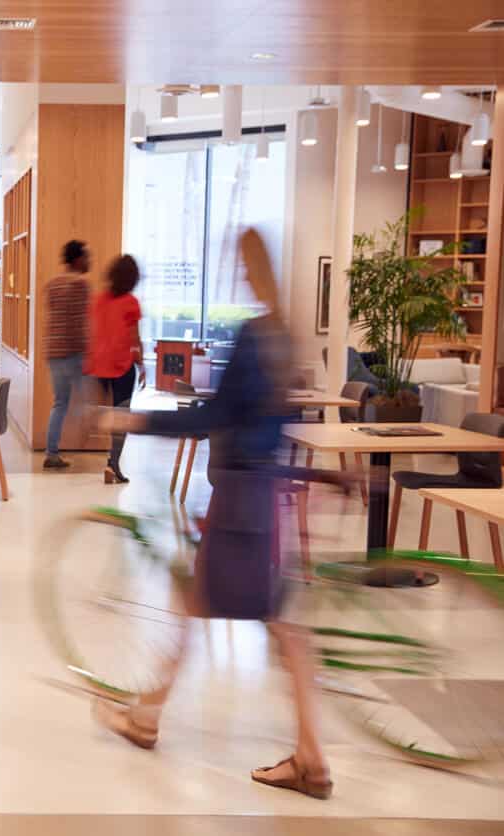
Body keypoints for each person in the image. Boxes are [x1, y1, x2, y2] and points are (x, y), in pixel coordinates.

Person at [90, 228, 332, 800]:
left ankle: (307, 758)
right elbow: (261, 420)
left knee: (256, 621)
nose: (237, 274)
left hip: (240, 499)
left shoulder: (254, 335)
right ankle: (153, 719)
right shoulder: (285, 337)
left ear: (250, 269)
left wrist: (135, 420)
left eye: (239, 265)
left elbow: (217, 416)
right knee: (237, 613)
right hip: (259, 494)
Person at [89, 255, 146, 484]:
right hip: (122, 367)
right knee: (121, 417)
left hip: (98, 366)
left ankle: (110, 463)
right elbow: (134, 337)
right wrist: (141, 363)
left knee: (104, 414)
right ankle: (113, 464)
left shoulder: (99, 300)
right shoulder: (131, 302)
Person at [42, 239, 92, 470]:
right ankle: (95, 443)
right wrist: (89, 350)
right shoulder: (81, 284)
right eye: (87, 256)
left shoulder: (52, 284)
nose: (90, 260)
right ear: (78, 259)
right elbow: (79, 322)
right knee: (86, 399)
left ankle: (52, 452)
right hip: (73, 351)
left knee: (60, 403)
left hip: (53, 350)